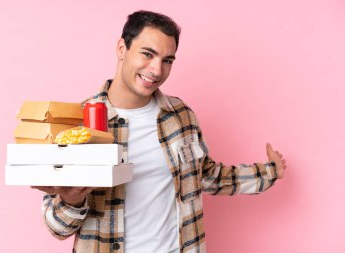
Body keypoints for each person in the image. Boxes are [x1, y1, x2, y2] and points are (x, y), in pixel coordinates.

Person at [32, 10, 286, 253]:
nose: (157, 70)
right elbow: (57, 229)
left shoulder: (180, 115)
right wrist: (71, 200)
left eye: (167, 60)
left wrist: (268, 172)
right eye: (147, 54)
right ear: (122, 49)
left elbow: (204, 175)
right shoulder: (76, 125)